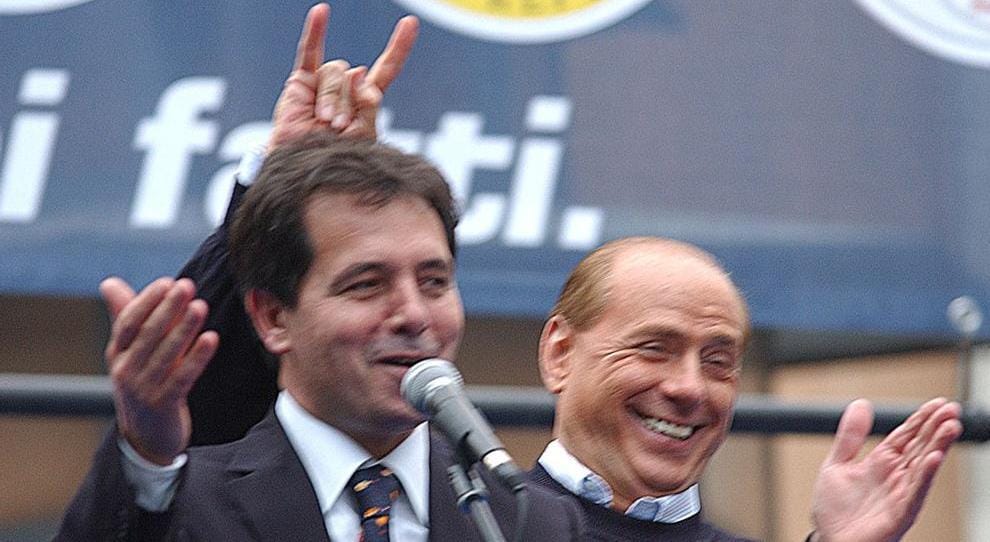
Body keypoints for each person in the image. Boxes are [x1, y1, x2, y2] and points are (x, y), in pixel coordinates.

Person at [56, 5, 584, 541]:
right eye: (366, 285)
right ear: (272, 317)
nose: (413, 315)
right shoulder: (184, 508)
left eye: (434, 282)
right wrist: (146, 452)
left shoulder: (528, 521)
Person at [529, 237, 962, 541]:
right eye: (655, 349)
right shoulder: (488, 521)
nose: (690, 388)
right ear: (560, 354)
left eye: (717, 362)